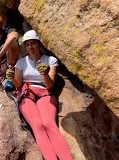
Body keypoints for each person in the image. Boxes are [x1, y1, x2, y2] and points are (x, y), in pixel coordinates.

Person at [6, 30, 72, 160]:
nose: (31, 47)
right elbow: (18, 84)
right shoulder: (21, 63)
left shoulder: (50, 60)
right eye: (28, 45)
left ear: (39, 44)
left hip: (44, 92)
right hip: (26, 92)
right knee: (38, 126)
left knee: (49, 124)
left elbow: (49, 85)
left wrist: (45, 73)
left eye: (33, 44)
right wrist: (12, 78)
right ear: (25, 47)